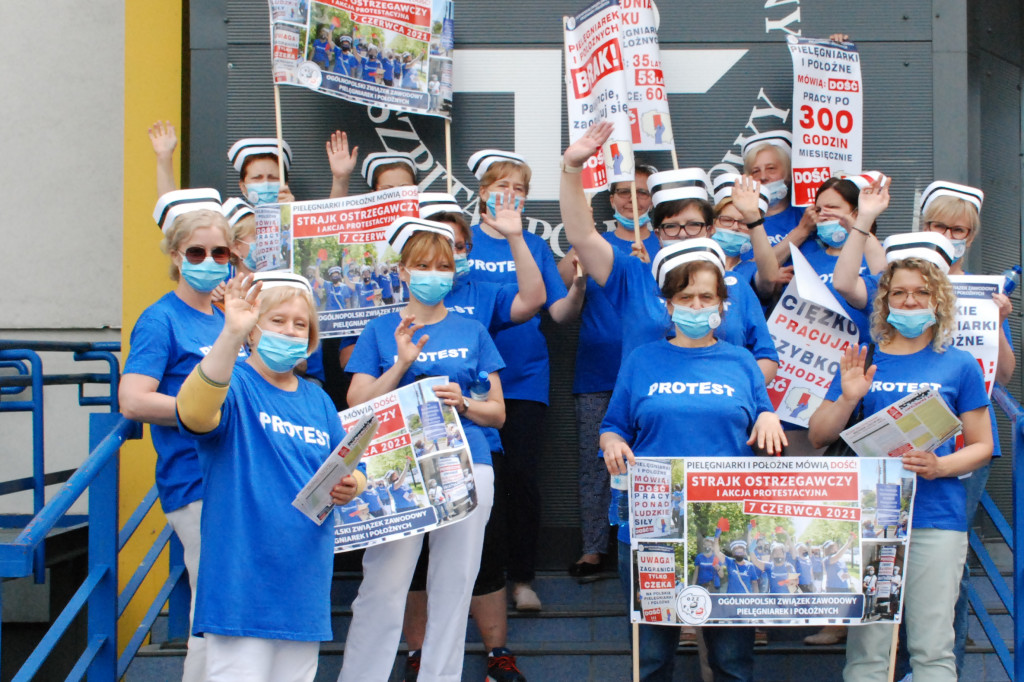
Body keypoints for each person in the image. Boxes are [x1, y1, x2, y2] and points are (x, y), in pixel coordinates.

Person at [829, 178, 1015, 676]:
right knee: (868, 648)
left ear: (939, 299)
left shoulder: (958, 365)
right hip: (869, 517)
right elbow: (824, 434)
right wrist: (848, 398)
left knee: (933, 647)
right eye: (900, 294)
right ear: (884, 299)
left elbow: (981, 446)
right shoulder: (862, 359)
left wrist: (939, 464)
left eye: (921, 294)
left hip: (938, 514)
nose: (910, 303)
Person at [600, 237, 787, 681]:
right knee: (651, 654)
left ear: (723, 303)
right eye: (685, 297)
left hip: (728, 527)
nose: (696, 305)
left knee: (732, 658)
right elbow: (614, 425)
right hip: (652, 521)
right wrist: (610, 442)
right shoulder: (642, 360)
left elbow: (761, 414)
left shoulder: (742, 361)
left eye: (707, 296)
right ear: (667, 304)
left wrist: (768, 420)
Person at [339, 217, 505, 682]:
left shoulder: (473, 331)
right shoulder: (378, 329)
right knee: (384, 583)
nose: (435, 274)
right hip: (397, 467)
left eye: (444, 266)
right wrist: (401, 365)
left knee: (454, 586)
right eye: (424, 265)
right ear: (404, 272)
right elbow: (356, 402)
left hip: (466, 462)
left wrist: (466, 402)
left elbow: (498, 412)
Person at [175, 271, 363, 680]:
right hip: (241, 587)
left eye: (300, 324)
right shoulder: (235, 382)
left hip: (303, 586)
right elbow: (192, 413)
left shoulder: (318, 398)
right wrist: (229, 335)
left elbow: (349, 465)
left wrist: (353, 484)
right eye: (277, 320)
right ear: (253, 327)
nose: (290, 330)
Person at [119, 189, 237, 682]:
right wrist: (201, 413)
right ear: (175, 256)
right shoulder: (160, 318)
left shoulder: (229, 319)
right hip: (192, 479)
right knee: (212, 613)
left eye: (220, 253)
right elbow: (133, 399)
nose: (209, 262)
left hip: (237, 480)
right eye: (197, 252)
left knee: (226, 609)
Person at [560, 122, 779, 386]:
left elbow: (765, 355)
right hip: (648, 416)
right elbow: (582, 236)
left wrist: (736, 392)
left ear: (710, 229)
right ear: (658, 232)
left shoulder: (735, 285)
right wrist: (572, 167)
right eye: (671, 227)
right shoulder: (633, 277)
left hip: (721, 419)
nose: (684, 234)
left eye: (694, 225)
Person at [466, 148, 584, 611]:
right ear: (482, 193)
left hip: (525, 381)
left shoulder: (534, 246)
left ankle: (521, 580)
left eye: (519, 189)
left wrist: (575, 287)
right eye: (501, 186)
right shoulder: (463, 243)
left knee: (521, 481)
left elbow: (558, 313)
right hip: (469, 388)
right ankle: (479, 581)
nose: (510, 195)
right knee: (479, 482)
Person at [557, 164, 661, 578]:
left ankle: (647, 544)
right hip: (599, 373)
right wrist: (576, 263)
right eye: (621, 191)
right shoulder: (595, 244)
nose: (630, 199)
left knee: (652, 460)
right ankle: (595, 547)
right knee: (597, 463)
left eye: (639, 192)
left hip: (653, 377)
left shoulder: (663, 247)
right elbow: (559, 285)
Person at [227, 137, 295, 205]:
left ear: (285, 184)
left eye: (273, 178)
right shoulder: (227, 214)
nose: (266, 184)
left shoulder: (302, 214)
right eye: (257, 178)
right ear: (243, 187)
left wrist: (289, 211)